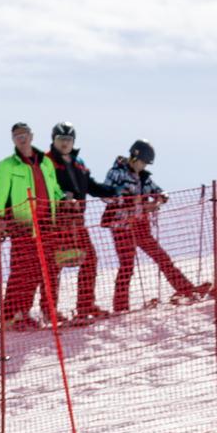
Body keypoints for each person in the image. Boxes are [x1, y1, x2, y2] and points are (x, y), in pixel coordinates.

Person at [102, 141, 210, 313]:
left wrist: (161, 197)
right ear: (134, 157)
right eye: (142, 162)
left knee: (162, 257)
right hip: (122, 227)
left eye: (145, 163)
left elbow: (157, 190)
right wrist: (136, 204)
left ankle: (186, 289)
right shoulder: (116, 173)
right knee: (127, 266)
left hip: (139, 226)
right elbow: (106, 196)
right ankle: (120, 307)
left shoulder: (143, 177)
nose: (143, 166)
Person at [0, 123, 64, 329]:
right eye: (17, 136)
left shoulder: (46, 162)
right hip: (22, 223)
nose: (21, 139)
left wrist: (64, 201)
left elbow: (54, 188)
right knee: (23, 270)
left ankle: (45, 310)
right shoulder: (8, 165)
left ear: (31, 136)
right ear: (13, 140)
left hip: (47, 222)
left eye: (24, 135)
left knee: (48, 268)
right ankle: (11, 315)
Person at [46, 122, 115, 322]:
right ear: (54, 140)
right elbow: (45, 185)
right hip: (57, 220)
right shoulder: (46, 162)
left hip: (77, 220)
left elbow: (90, 186)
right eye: (61, 139)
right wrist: (61, 198)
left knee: (90, 259)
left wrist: (114, 192)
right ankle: (49, 310)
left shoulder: (79, 162)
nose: (65, 143)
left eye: (68, 139)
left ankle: (85, 305)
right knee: (54, 264)